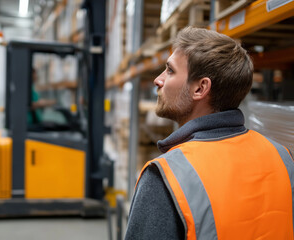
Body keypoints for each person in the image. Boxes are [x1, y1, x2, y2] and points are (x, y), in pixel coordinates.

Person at [125, 27, 294, 240]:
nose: (158, 80)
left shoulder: (168, 176)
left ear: (200, 88)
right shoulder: (282, 158)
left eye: (170, 70)